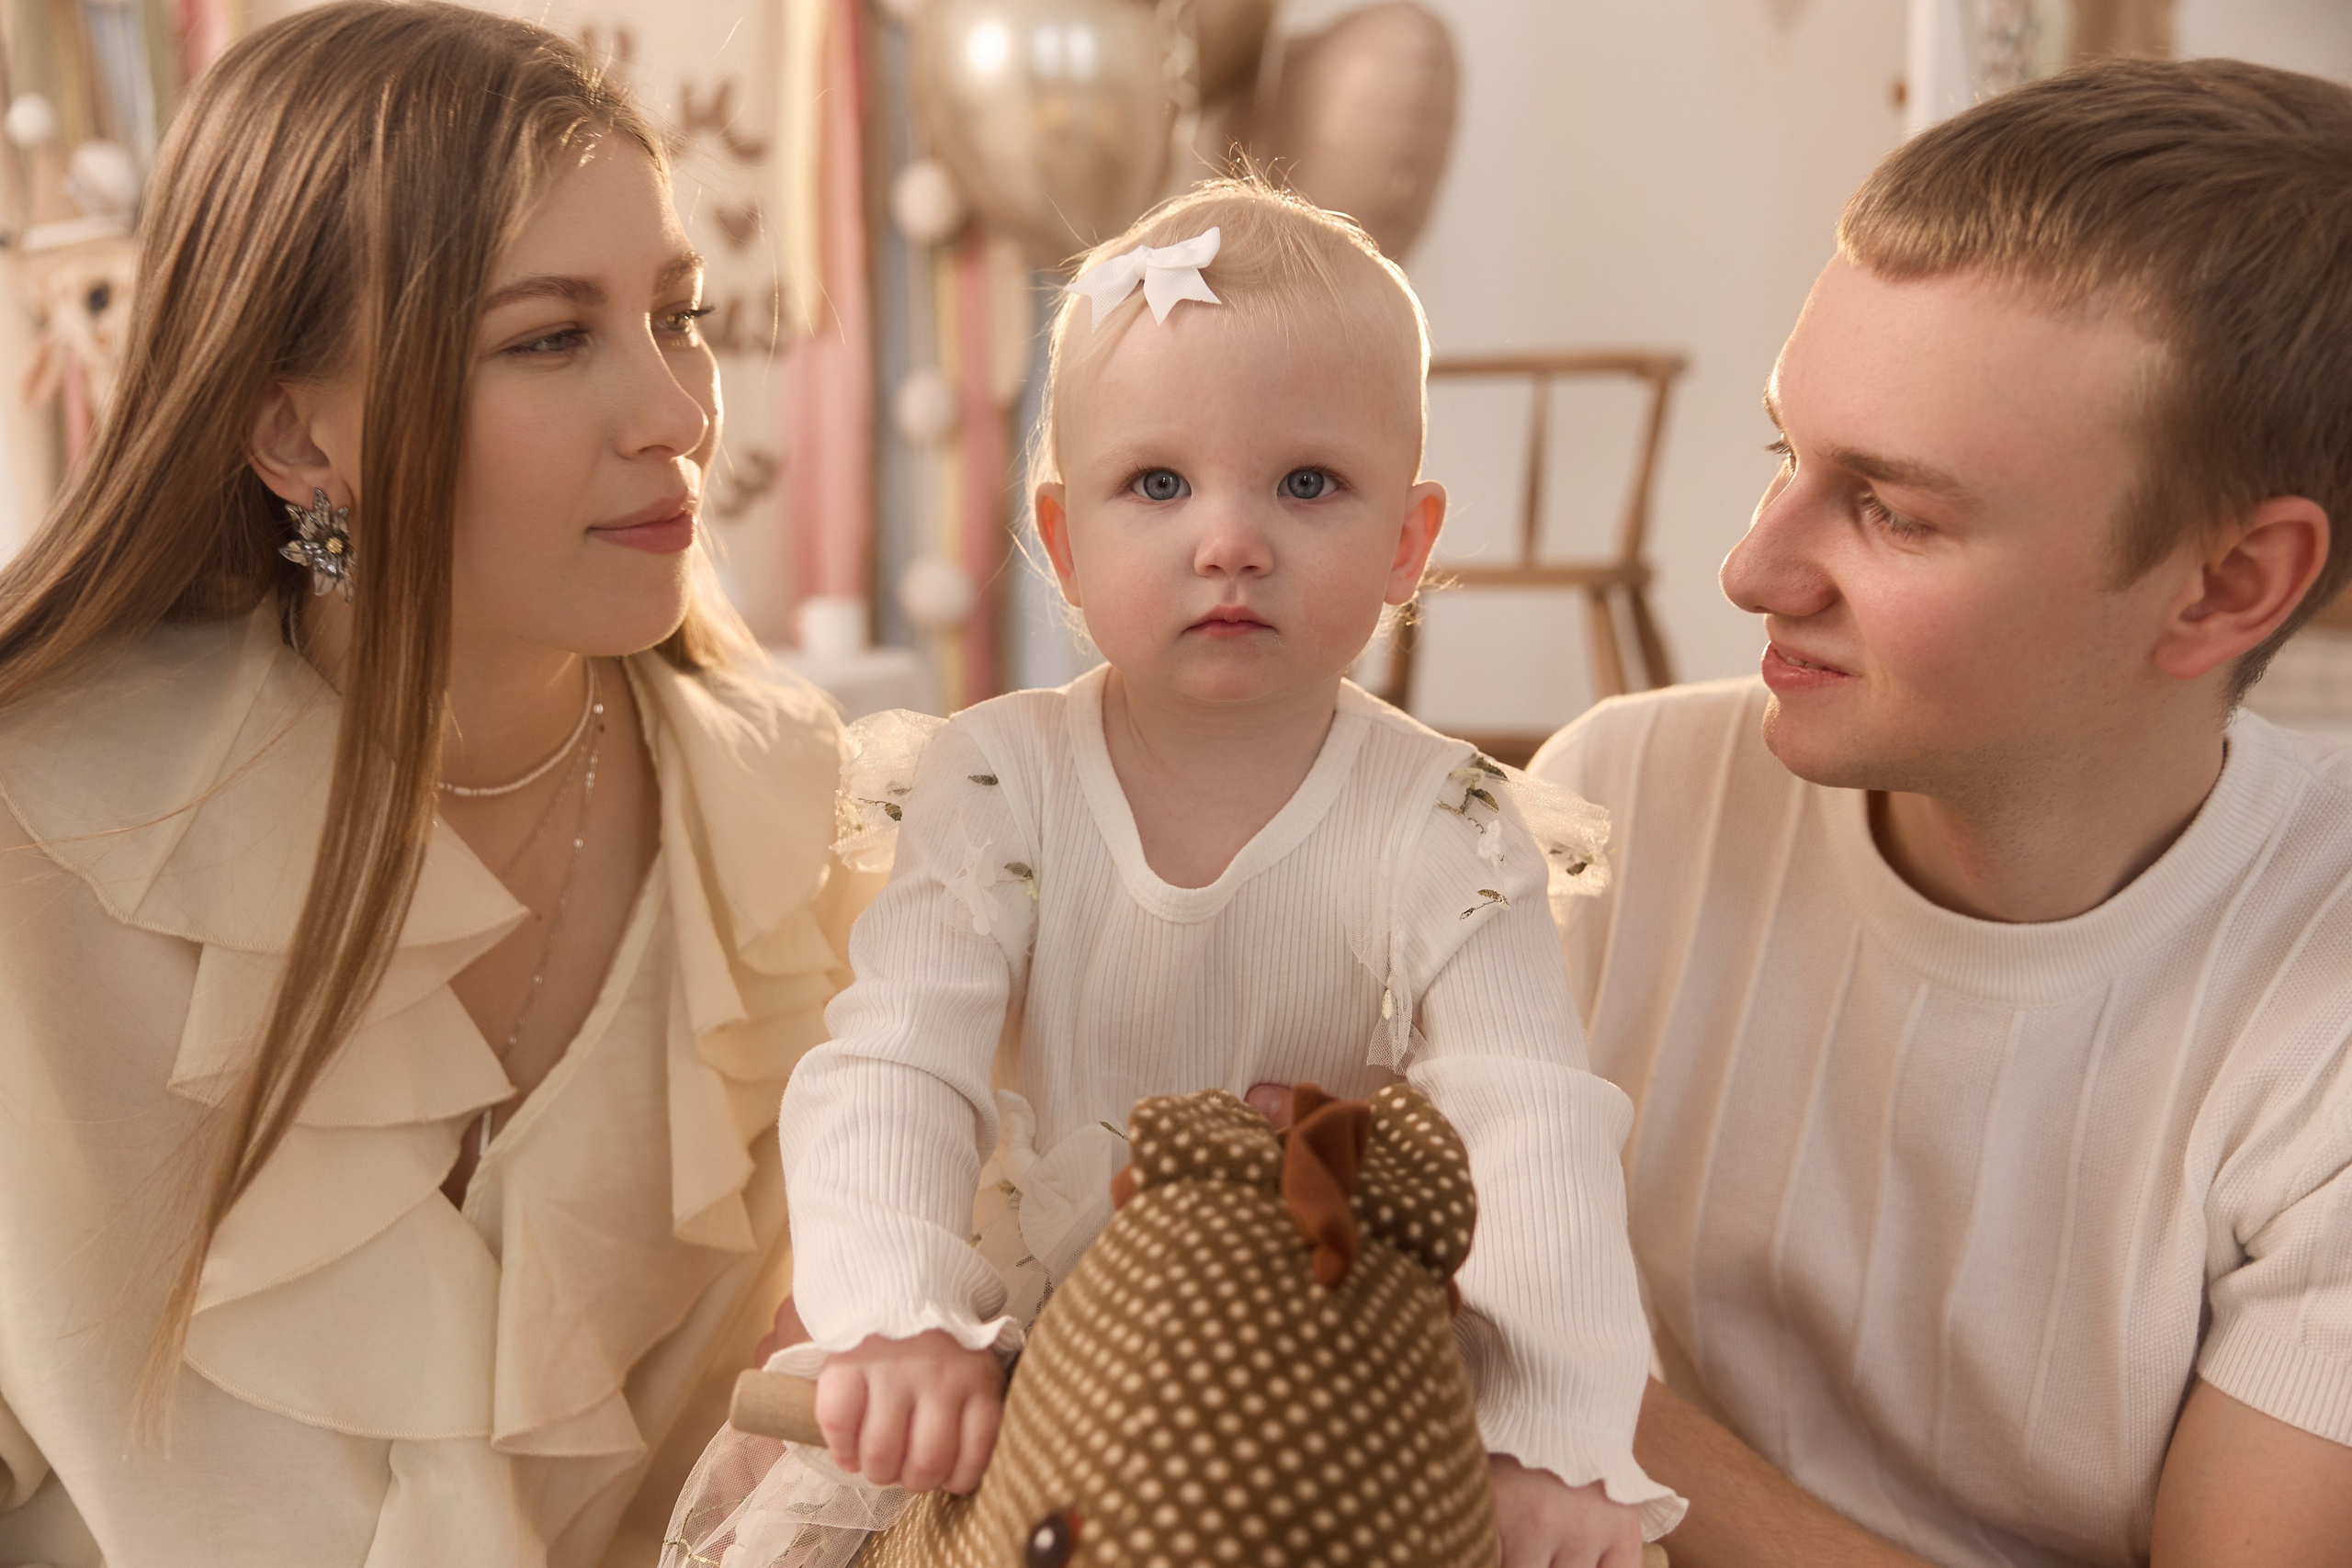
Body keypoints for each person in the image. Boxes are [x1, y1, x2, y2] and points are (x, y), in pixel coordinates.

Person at [688, 179, 1680, 1568]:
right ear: (1063, 542)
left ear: (1408, 543)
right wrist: (901, 1313)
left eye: (1307, 484)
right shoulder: (1000, 782)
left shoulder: (1445, 823)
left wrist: (1550, 1433)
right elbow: (898, 1061)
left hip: (1318, 1350)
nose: (1229, 542)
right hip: (1031, 1351)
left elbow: (1529, 1129)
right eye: (1157, 485)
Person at [0, 5, 858, 1564]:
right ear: (290, 434)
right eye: (551, 338)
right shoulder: (39, 839)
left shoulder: (807, 844)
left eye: (678, 314)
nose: (679, 414)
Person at [1530, 57, 2352, 1568]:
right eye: (1786, 453)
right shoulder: (1613, 808)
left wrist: (1583, 1413)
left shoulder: (2326, 1009)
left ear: (2226, 586)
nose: (1752, 569)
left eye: (1894, 511)